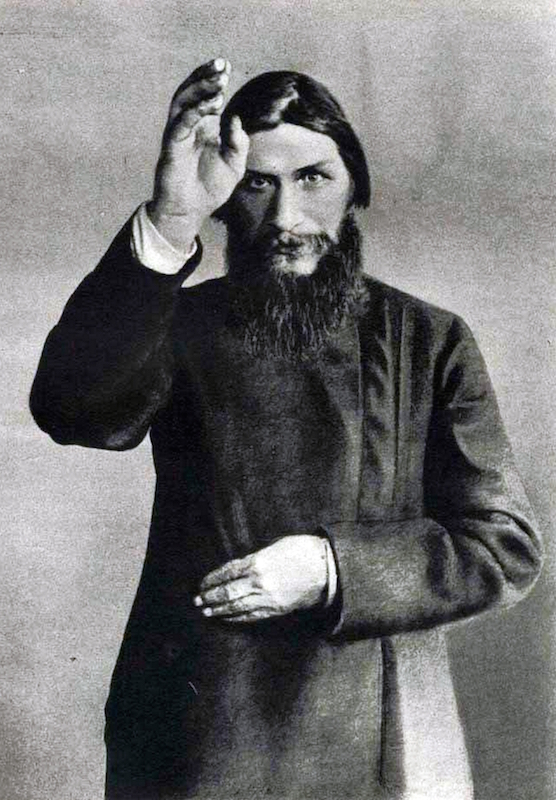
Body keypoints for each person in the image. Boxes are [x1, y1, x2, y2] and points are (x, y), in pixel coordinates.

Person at [30, 58, 542, 800]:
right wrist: (171, 218)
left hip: (385, 733)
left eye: (313, 179)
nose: (285, 220)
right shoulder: (177, 325)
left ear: (354, 187)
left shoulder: (430, 340)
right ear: (226, 196)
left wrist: (330, 569)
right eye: (257, 184)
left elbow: (503, 546)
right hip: (201, 734)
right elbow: (71, 410)